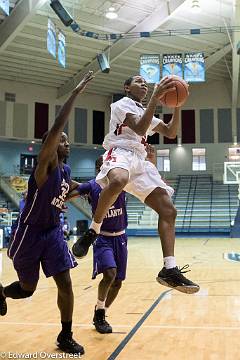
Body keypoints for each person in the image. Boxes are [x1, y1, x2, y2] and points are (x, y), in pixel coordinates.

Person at [73, 75, 200, 294]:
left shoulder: (146, 111)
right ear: (126, 87)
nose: (144, 84)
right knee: (119, 180)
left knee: (169, 211)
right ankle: (93, 231)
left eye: (145, 82)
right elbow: (140, 129)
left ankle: (169, 269)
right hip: (120, 152)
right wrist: (155, 98)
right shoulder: (122, 104)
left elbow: (170, 132)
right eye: (138, 81)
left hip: (139, 161)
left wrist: (178, 105)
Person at [0, 71, 94, 354]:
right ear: (50, 147)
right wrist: (75, 93)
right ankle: (2, 292)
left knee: (64, 282)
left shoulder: (65, 173)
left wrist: (113, 181)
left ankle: (65, 335)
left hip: (53, 232)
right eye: (61, 140)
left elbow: (83, 187)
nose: (66, 142)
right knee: (27, 289)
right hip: (29, 232)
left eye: (65, 140)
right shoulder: (45, 168)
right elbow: (55, 129)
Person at [70, 145, 157, 334]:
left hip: (121, 238)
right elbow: (71, 190)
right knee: (109, 273)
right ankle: (100, 312)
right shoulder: (92, 186)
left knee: (117, 282)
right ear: (101, 169)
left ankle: (101, 311)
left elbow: (147, 178)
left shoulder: (123, 182)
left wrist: (151, 158)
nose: (113, 165)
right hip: (102, 237)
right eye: (108, 164)